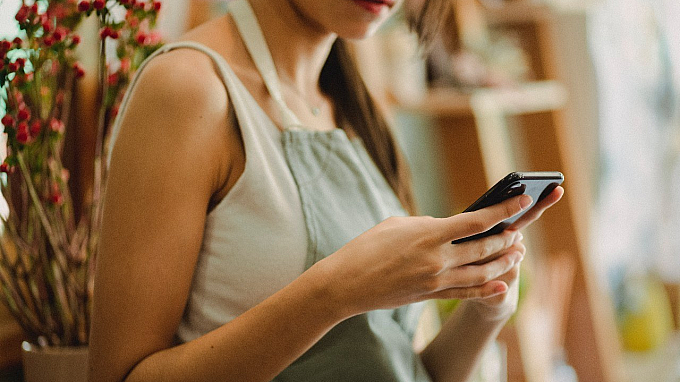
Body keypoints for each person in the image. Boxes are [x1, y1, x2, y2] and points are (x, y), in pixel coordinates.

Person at [88, 0, 564, 381]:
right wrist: (334, 292)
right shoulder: (187, 90)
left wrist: (488, 307)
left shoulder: (357, 104)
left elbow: (397, 366)